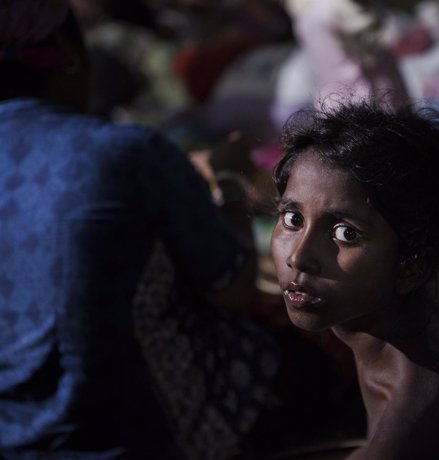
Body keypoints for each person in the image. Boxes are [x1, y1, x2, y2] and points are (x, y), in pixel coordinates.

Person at [0, 1, 279, 458]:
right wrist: (228, 183)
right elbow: (234, 287)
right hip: (133, 439)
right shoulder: (126, 153)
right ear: (70, 56)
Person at [270, 101, 439, 459]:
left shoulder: (413, 418)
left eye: (347, 233)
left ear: (411, 267)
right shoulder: (428, 311)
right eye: (292, 219)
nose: (299, 257)